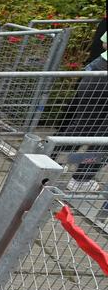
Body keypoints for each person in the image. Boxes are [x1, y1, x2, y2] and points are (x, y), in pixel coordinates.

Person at [55, 31, 107, 193]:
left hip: (97, 70)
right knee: (103, 136)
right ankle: (81, 179)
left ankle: (50, 162)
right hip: (101, 77)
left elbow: (104, 44)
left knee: (82, 125)